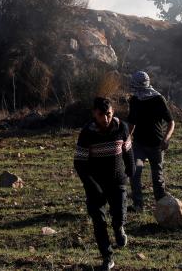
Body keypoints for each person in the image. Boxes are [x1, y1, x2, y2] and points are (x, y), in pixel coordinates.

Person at [74, 97, 134, 271]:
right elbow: (79, 163)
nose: (105, 119)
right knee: (99, 222)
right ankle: (107, 257)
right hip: (95, 183)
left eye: (108, 114)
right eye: (101, 115)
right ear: (94, 114)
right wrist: (91, 185)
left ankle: (118, 227)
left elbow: (128, 151)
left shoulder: (121, 127)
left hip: (117, 180)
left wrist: (130, 170)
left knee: (119, 213)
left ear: (113, 112)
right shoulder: (87, 133)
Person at [126, 71, 174, 212]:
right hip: (139, 145)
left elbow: (171, 122)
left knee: (157, 177)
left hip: (156, 146)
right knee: (135, 172)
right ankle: (138, 205)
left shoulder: (158, 99)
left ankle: (161, 205)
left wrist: (166, 139)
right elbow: (132, 123)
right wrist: (127, 138)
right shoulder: (134, 100)